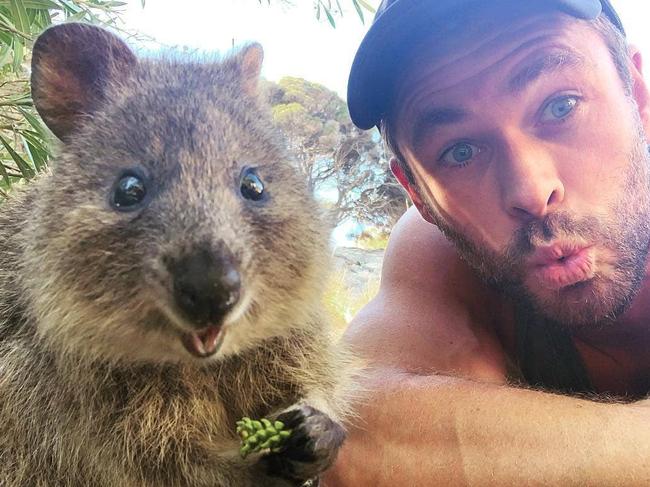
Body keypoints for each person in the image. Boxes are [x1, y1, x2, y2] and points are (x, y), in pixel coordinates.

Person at [324, 0, 650, 485]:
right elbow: (350, 434)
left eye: (560, 106)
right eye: (460, 151)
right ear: (419, 196)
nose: (531, 191)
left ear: (639, 96)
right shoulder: (439, 252)